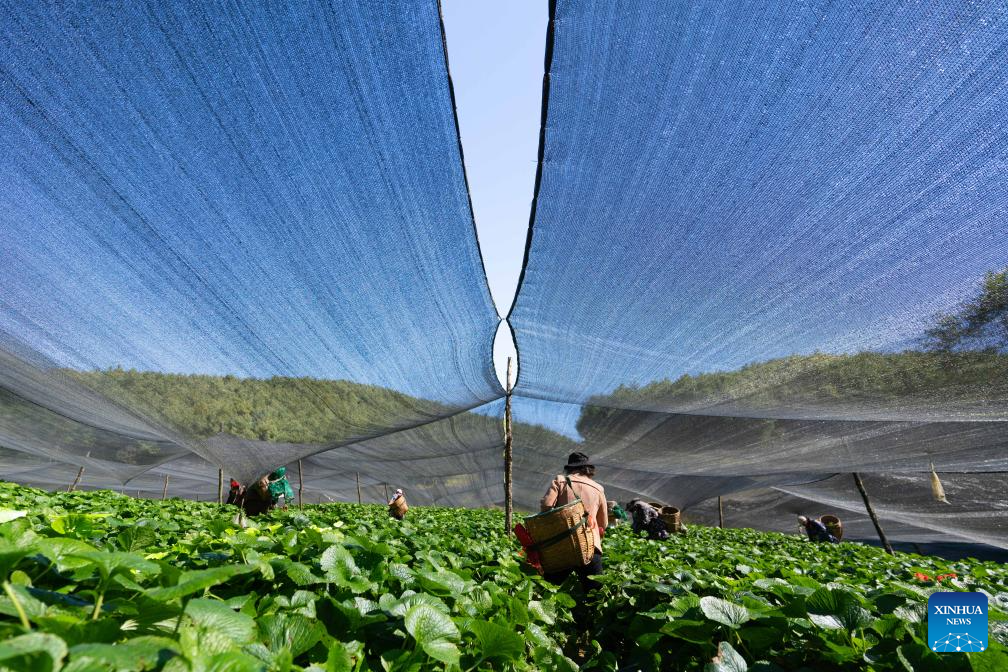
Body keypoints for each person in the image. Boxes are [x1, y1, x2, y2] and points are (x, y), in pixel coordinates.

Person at [540, 452, 607, 591]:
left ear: (570, 467)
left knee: (547, 588)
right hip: (590, 545)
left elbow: (546, 506)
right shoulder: (598, 488)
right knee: (595, 593)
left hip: (563, 544)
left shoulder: (561, 480)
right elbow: (603, 523)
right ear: (587, 468)